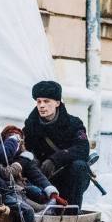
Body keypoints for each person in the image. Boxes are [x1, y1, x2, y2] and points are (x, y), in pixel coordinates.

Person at [24, 80, 92, 209]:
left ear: (57, 103)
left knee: (79, 166)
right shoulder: (31, 125)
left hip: (70, 177)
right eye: (39, 101)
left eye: (46, 101)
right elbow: (26, 148)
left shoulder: (73, 123)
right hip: (43, 178)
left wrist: (55, 160)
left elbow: (82, 149)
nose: (41, 106)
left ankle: (72, 215)